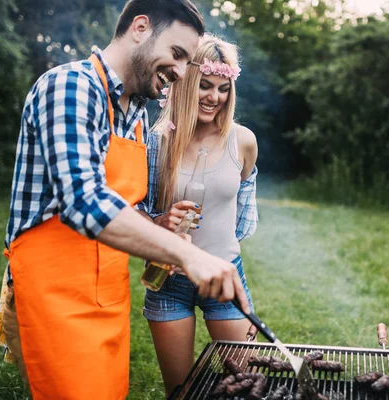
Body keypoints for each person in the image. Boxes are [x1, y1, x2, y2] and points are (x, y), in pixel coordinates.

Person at [0, 1, 250, 399]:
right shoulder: (71, 86)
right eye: (177, 54)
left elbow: (125, 206)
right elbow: (83, 201)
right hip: (53, 297)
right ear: (140, 28)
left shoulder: (137, 113)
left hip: (108, 296)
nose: (180, 72)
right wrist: (190, 256)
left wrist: (157, 225)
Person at [141, 34, 259, 396]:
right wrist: (161, 223)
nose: (214, 97)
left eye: (223, 88)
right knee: (181, 392)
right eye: (205, 85)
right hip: (169, 282)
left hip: (223, 276)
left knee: (245, 386)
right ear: (186, 82)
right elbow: (136, 214)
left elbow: (243, 210)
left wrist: (223, 247)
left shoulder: (243, 141)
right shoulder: (157, 141)